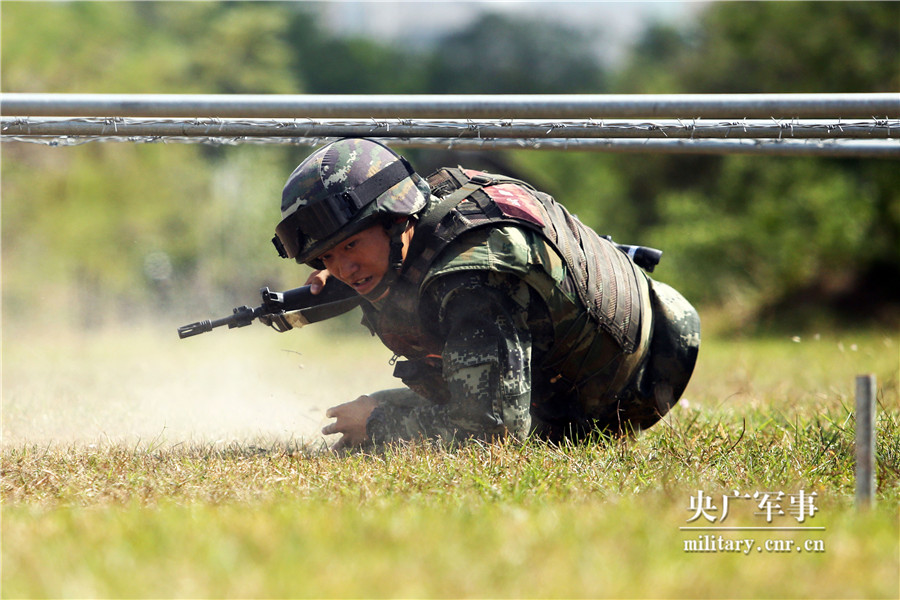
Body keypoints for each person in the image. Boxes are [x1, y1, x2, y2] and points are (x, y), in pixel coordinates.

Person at [271, 137, 700, 451]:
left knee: (370, 414)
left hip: (635, 387)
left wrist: (380, 425)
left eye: (351, 246)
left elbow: (491, 436)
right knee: (374, 406)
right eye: (326, 257)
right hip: (631, 335)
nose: (343, 268)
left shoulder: (473, 283)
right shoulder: (433, 207)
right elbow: (412, 264)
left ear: (396, 220)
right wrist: (352, 276)